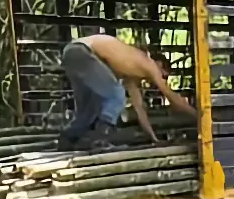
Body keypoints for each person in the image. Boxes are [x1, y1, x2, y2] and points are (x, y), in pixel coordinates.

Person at [59, 33, 197, 148]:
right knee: (116, 95)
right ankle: (100, 140)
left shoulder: (130, 73)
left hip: (72, 52)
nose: (162, 79)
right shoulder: (149, 64)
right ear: (159, 65)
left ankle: (66, 140)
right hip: (83, 51)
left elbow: (140, 110)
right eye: (164, 75)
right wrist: (200, 118)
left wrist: (154, 139)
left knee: (89, 109)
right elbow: (172, 98)